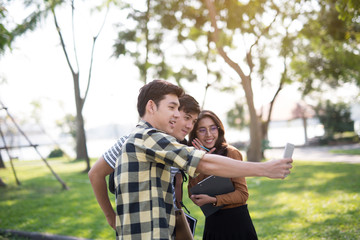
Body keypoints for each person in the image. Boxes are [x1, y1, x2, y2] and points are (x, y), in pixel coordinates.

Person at [97, 79, 292, 239]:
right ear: (151, 106)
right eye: (172, 107)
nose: (176, 114)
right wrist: (264, 169)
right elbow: (205, 162)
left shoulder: (146, 139)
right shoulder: (147, 137)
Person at [88, 93, 200, 232]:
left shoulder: (179, 147)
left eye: (194, 121)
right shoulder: (131, 141)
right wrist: (111, 217)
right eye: (186, 117)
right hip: (141, 228)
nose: (190, 126)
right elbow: (95, 174)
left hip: (167, 225)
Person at [188, 110, 257, 239]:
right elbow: (192, 192)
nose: (209, 134)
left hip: (236, 223)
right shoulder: (194, 158)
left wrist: (214, 200)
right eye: (202, 130)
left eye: (212, 128)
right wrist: (202, 162)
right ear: (195, 134)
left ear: (219, 130)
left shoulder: (231, 153)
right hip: (213, 224)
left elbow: (242, 194)